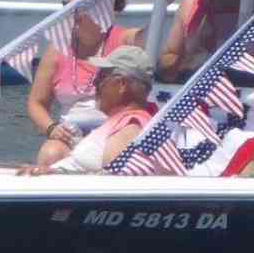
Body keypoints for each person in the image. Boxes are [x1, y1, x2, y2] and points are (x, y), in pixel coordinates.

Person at [27, 0, 142, 169]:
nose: (71, 13)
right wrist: (51, 128)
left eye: (80, 6)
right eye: (67, 6)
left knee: (111, 157)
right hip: (71, 135)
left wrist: (163, 4)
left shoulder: (125, 40)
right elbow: (36, 102)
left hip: (114, 132)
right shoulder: (57, 50)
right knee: (50, 154)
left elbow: (154, 35)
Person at [20, 44, 156, 175]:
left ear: (122, 85)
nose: (95, 83)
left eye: (102, 77)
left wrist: (55, 173)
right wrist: (54, 171)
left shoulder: (131, 128)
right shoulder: (120, 123)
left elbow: (114, 182)